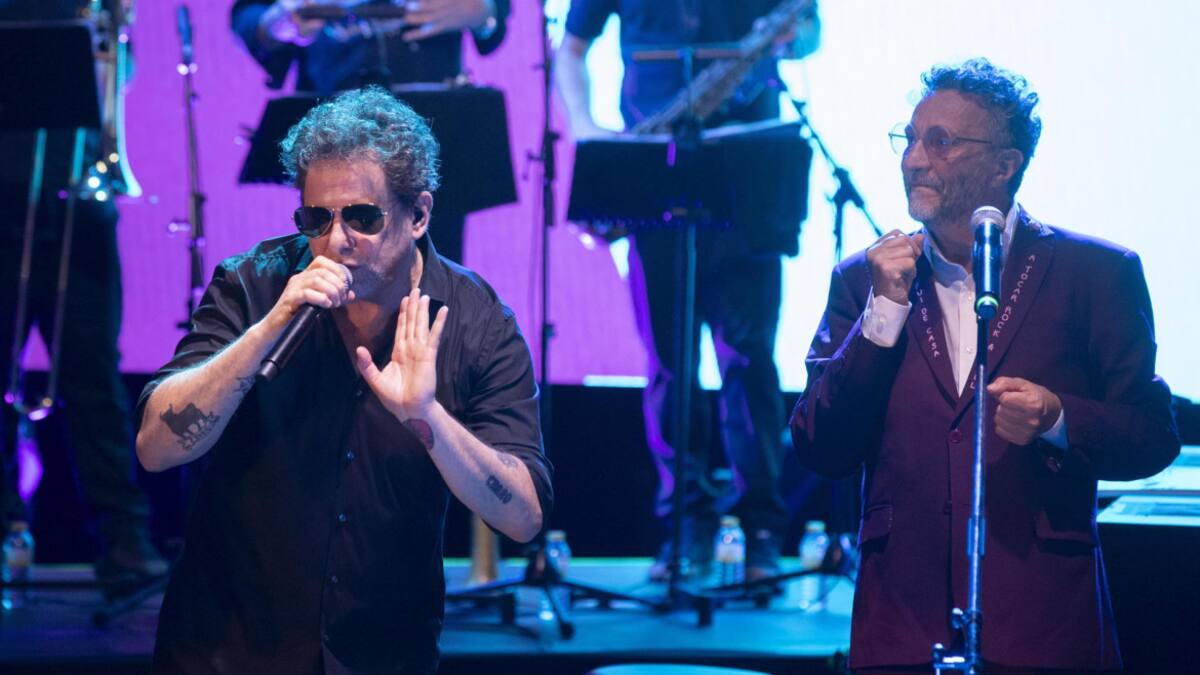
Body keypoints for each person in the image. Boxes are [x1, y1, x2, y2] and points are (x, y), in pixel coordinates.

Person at [134, 87, 552, 672]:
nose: (334, 241)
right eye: (316, 218)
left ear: (419, 215)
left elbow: (523, 516)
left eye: (362, 217)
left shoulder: (478, 322)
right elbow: (155, 449)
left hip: (381, 653)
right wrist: (268, 329)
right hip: (228, 650)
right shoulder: (251, 286)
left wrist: (426, 418)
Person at [790, 58, 1180, 672]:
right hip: (901, 626)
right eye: (910, 139)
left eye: (940, 142)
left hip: (1041, 623)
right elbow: (819, 444)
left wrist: (1058, 417)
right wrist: (883, 312)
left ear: (1006, 165)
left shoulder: (1097, 274)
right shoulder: (864, 280)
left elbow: (1154, 436)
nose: (914, 158)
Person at [555, 0, 820, 581]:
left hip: (747, 170)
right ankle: (685, 529)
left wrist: (786, 39)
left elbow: (808, 35)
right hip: (655, 168)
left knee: (750, 365)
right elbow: (570, 48)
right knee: (669, 365)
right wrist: (586, 128)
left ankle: (762, 533)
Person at [0, 0, 167, 586]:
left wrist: (109, 39)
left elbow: (113, 83)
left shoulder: (94, 7)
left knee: (94, 382)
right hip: (4, 195)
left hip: (77, 206)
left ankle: (124, 539)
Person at [230, 0, 511, 265]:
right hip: (332, 113)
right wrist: (273, 25)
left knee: (435, 270)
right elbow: (250, 14)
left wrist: (485, 12)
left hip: (437, 123)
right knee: (337, 262)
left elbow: (494, 10)